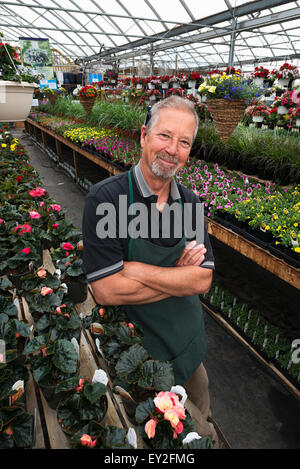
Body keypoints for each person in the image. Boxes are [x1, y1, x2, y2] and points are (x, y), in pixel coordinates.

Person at [82, 96, 224, 447]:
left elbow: (202, 279)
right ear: (144, 135)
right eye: (165, 136)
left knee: (202, 420)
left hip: (188, 347)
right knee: (164, 438)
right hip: (140, 356)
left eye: (184, 142)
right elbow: (106, 290)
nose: (172, 149)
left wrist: (135, 269)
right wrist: (178, 278)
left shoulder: (189, 204)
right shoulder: (107, 200)